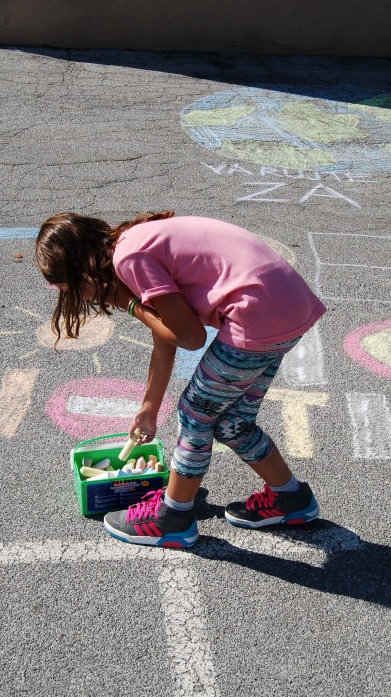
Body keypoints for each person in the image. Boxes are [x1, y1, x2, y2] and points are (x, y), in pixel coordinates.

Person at [36, 211, 326, 548]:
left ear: (82, 270)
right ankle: (291, 498)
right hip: (286, 305)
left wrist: (130, 305)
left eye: (71, 289)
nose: (83, 298)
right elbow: (167, 335)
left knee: (194, 413)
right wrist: (148, 408)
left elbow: (190, 336)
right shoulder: (132, 243)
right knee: (232, 423)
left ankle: (173, 517)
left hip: (257, 313)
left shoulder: (130, 258)